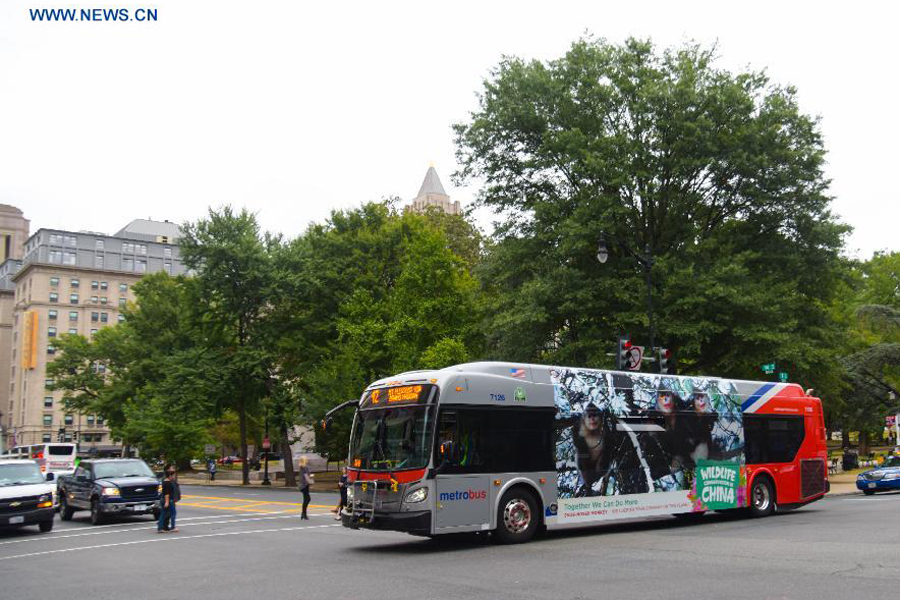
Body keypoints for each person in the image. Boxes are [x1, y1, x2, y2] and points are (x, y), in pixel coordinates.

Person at [158, 465, 180, 533]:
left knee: (163, 513)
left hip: (165, 500)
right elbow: (167, 493)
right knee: (173, 513)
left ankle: (160, 527)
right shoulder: (167, 482)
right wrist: (167, 502)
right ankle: (172, 527)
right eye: (173, 476)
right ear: (170, 476)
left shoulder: (165, 481)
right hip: (169, 500)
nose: (173, 477)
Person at [298, 456, 312, 520]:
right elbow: (306, 476)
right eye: (306, 459)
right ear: (304, 460)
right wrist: (311, 476)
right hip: (305, 485)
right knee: (307, 499)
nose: (307, 460)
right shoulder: (305, 467)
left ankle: (303, 514)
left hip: (302, 485)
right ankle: (304, 514)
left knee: (306, 499)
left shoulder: (301, 467)